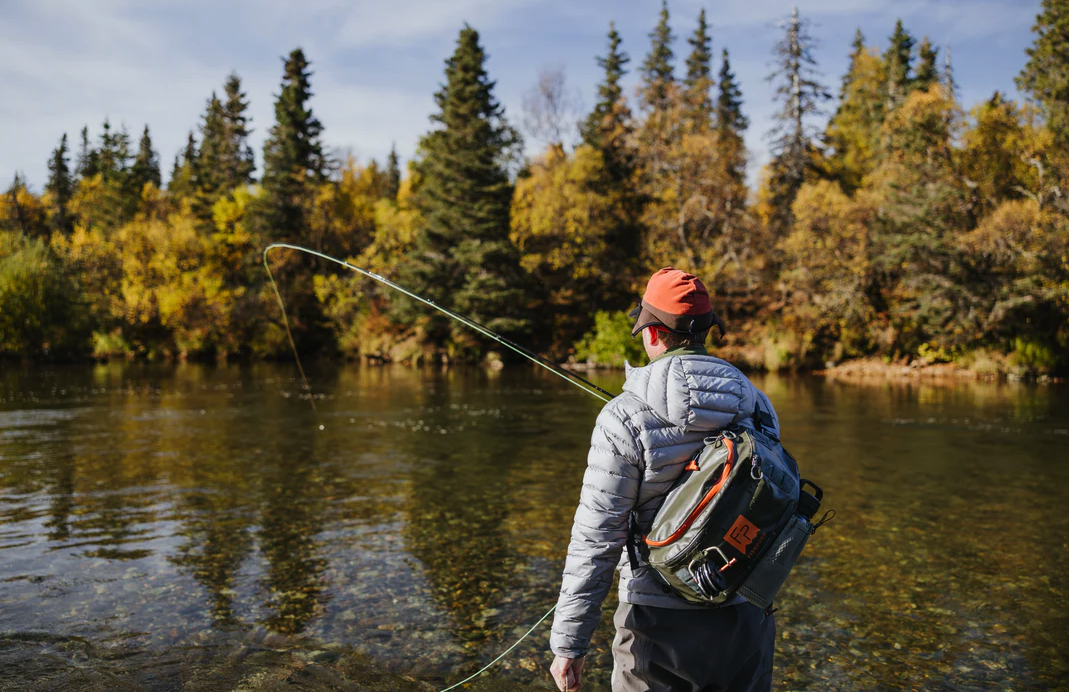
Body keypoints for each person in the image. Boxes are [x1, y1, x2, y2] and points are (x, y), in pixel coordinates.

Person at [549, 267, 779, 692]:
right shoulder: (760, 407)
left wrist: (569, 645)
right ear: (707, 332)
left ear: (651, 333)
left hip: (656, 625)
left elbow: (596, 539)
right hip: (746, 617)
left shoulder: (622, 417)